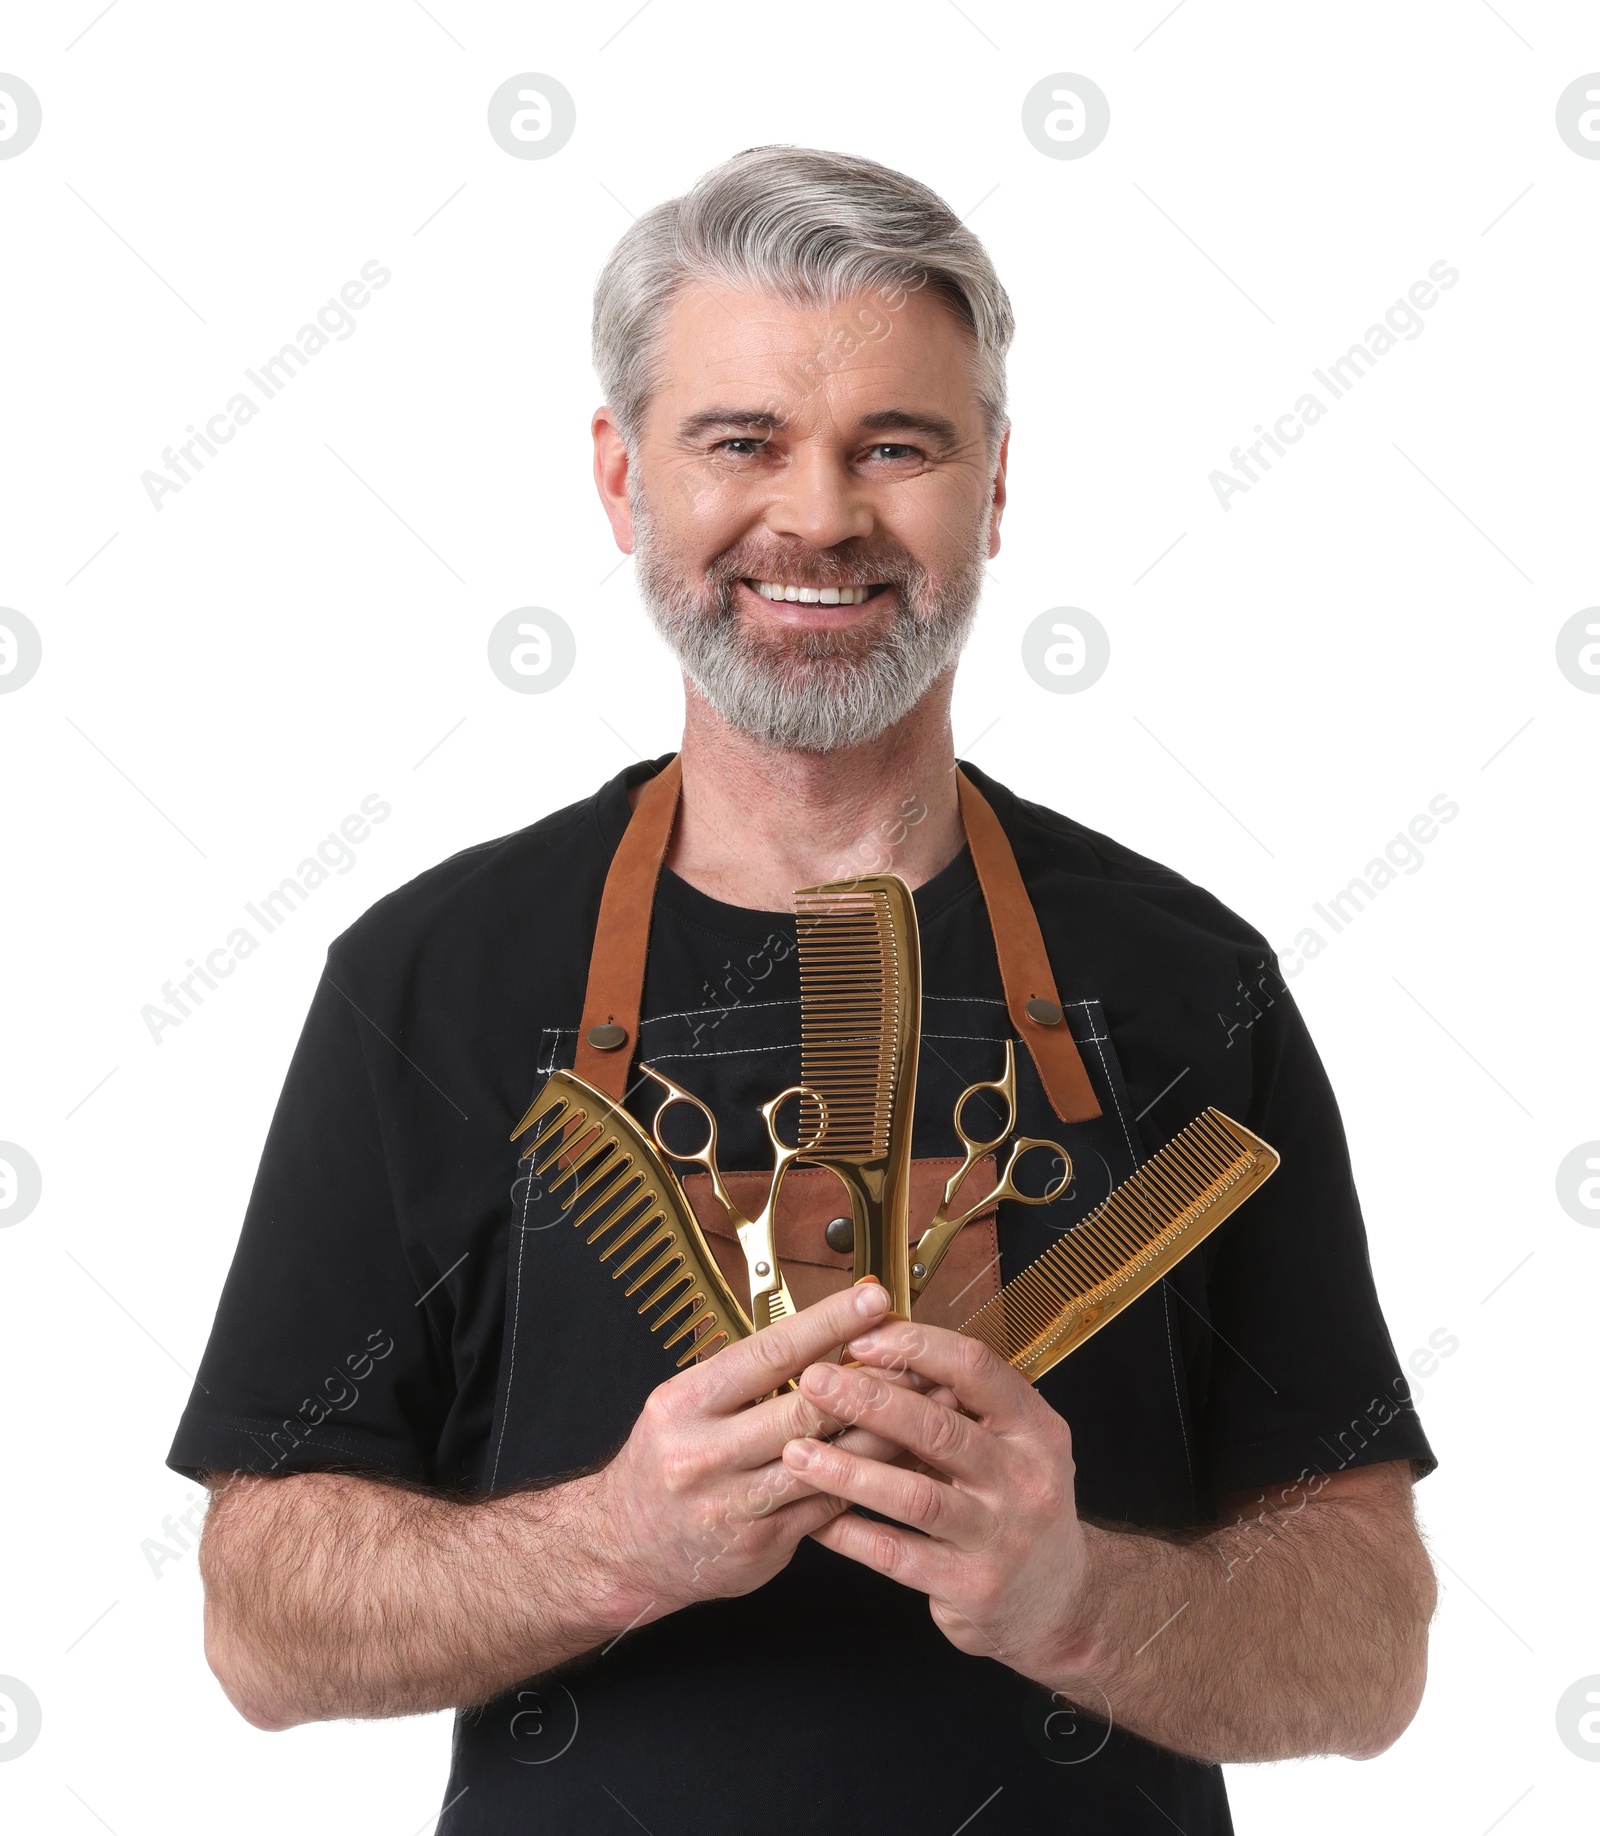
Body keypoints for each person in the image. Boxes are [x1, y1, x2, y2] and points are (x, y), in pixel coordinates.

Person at [171, 146, 1437, 1834]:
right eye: (742, 442)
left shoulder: (1193, 985)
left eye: (895, 447)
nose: (821, 515)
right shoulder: (433, 983)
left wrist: (1075, 1599)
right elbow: (260, 1621)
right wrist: (616, 1543)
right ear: (624, 480)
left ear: (992, 485)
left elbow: (1373, 1646)